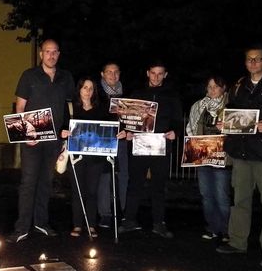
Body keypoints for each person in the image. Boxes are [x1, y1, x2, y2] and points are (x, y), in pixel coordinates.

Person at [6, 39, 74, 243]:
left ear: (58, 54)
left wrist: (66, 130)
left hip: (54, 140)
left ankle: (41, 223)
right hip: (32, 140)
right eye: (47, 52)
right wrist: (26, 134)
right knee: (28, 182)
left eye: (55, 52)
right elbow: (19, 107)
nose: (51, 55)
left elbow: (68, 107)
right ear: (41, 54)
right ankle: (21, 228)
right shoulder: (29, 76)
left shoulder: (66, 77)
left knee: (46, 182)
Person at [217, 44, 262, 258]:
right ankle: (237, 242)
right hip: (241, 152)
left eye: (257, 59)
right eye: (249, 59)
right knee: (241, 200)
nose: (253, 63)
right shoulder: (238, 85)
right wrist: (223, 123)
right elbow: (231, 113)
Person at [119, 59, 183, 238]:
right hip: (138, 145)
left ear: (165, 75)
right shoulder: (136, 93)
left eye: (160, 73)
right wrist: (128, 132)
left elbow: (178, 121)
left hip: (161, 146)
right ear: (147, 73)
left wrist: (175, 133)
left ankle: (158, 223)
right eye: (153, 73)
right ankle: (129, 220)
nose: (156, 77)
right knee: (135, 184)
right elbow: (126, 119)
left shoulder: (172, 96)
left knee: (159, 186)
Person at [68, 76, 124, 238]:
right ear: (79, 89)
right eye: (85, 87)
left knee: (92, 191)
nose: (87, 91)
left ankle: (91, 224)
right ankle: (78, 224)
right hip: (76, 157)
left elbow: (111, 129)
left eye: (91, 88)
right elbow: (63, 127)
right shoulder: (71, 109)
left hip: (96, 157)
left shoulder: (102, 109)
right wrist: (63, 132)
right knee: (78, 191)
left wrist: (119, 133)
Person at [186, 75, 231, 242]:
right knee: (206, 195)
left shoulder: (230, 106)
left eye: (216, 86)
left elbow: (239, 129)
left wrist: (227, 127)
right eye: (209, 86)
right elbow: (190, 128)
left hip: (222, 157)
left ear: (223, 88)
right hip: (202, 156)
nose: (212, 90)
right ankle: (212, 227)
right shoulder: (198, 106)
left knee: (222, 195)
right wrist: (195, 146)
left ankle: (226, 230)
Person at [96, 61, 126, 226]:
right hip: (102, 140)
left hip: (121, 140)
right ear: (102, 74)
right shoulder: (97, 94)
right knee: (104, 176)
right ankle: (105, 213)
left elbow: (132, 118)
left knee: (123, 175)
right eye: (109, 72)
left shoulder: (126, 94)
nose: (113, 75)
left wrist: (127, 131)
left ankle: (121, 210)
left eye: (116, 72)